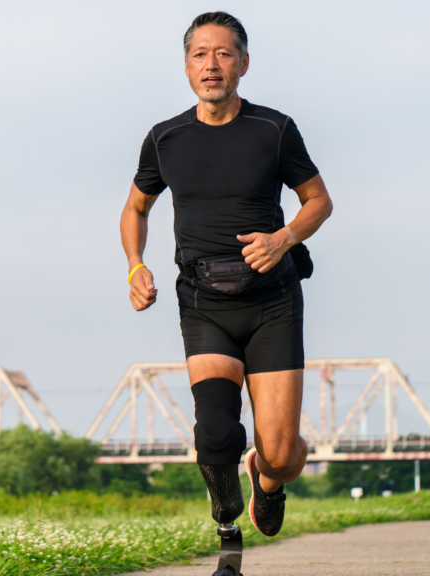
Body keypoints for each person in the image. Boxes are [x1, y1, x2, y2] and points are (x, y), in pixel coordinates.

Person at [119, 11, 333, 544]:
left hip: (273, 302)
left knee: (281, 455)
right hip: (204, 300)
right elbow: (135, 208)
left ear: (242, 63)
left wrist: (282, 238)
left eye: (223, 53)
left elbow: (318, 201)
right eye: (200, 54)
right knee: (215, 429)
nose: (211, 64)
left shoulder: (273, 129)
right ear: (187, 66)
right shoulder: (164, 138)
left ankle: (267, 477)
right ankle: (226, 523)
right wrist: (136, 266)